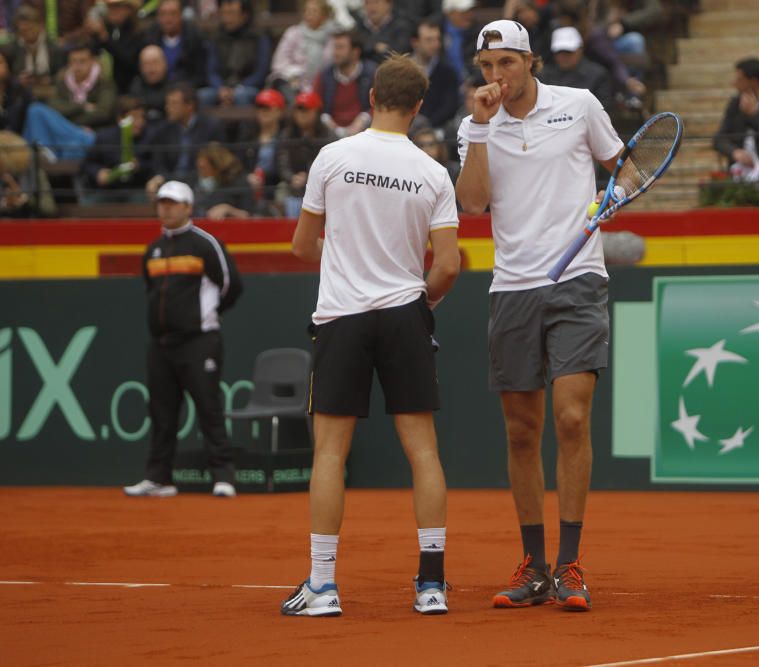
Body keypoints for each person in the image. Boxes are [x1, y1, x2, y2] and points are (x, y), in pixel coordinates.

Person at [281, 54, 460, 617]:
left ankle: (323, 586)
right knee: (423, 451)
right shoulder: (432, 173)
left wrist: (342, 261)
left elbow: (302, 246)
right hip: (405, 314)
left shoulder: (333, 157)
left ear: (371, 95)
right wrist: (417, 300)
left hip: (342, 316)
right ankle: (431, 586)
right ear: (418, 106)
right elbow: (449, 265)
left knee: (330, 454)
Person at [454, 19, 624, 612]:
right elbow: (472, 203)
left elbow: (622, 166)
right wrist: (479, 126)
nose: (496, 76)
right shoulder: (474, 125)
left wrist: (614, 196)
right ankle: (535, 567)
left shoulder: (579, 105)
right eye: (486, 67)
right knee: (522, 432)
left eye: (505, 64)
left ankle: (572, 564)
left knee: (571, 418)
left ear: (531, 63)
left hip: (579, 281)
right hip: (514, 289)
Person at [124, 179, 243, 499]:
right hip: (161, 344)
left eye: (173, 203)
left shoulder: (205, 244)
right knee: (162, 413)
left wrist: (205, 316)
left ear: (189, 207)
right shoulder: (153, 250)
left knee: (208, 407)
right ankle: (159, 478)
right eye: (162, 203)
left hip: (199, 341)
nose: (166, 208)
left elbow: (231, 285)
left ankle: (223, 476)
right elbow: (151, 290)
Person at [145, 82, 226, 194]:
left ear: (189, 106)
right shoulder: (163, 130)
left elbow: (215, 162)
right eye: (167, 103)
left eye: (174, 103)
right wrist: (163, 178)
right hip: (170, 184)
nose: (168, 108)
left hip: (199, 184)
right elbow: (158, 163)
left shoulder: (210, 127)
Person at [81, 96, 156, 203]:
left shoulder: (150, 137)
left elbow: (156, 164)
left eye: (142, 117)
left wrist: (140, 165)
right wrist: (98, 172)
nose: (140, 122)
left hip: (136, 188)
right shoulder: (105, 137)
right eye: (134, 117)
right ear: (121, 119)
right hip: (108, 190)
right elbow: (87, 164)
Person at [200, 0, 272, 107]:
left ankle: (247, 124)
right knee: (201, 96)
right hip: (222, 87)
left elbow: (261, 72)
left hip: (249, 87)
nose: (227, 18)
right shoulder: (216, 39)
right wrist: (221, 88)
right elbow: (211, 71)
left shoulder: (258, 38)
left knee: (241, 96)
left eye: (232, 13)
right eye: (224, 13)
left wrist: (239, 88)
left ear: (244, 15)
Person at [276, 90, 334, 218]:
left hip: (321, 183)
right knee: (281, 190)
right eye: (299, 110)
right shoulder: (287, 134)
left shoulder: (328, 135)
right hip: (293, 183)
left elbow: (332, 164)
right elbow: (282, 162)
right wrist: (291, 177)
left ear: (317, 112)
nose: (301, 114)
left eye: (306, 110)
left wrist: (309, 177)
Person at [268, 0, 338, 100]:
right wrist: (295, 74)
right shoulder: (293, 32)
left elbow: (333, 64)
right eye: (306, 11)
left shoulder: (333, 36)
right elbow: (279, 63)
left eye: (314, 11)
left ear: (324, 16)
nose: (309, 15)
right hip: (294, 82)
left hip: (323, 83)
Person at [314, 30, 377, 138]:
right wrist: (326, 119)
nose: (335, 53)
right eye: (335, 47)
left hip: (365, 132)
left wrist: (363, 118)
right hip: (329, 134)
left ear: (355, 52)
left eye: (341, 48)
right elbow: (315, 104)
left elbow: (381, 104)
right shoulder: (325, 75)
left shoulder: (372, 73)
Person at [540, 26, 613, 110]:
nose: (563, 56)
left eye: (568, 52)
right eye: (559, 52)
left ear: (580, 49)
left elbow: (603, 109)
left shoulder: (598, 75)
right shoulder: (544, 76)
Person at [141, 0, 207, 87]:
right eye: (163, 14)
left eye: (173, 13)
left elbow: (200, 75)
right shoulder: (150, 38)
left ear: (181, 15)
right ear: (158, 17)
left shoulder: (194, 38)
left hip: (186, 89)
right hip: (157, 89)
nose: (168, 19)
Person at [85, 0, 145, 94]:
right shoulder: (109, 27)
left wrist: (104, 38)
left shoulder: (138, 31)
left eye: (116, 7)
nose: (111, 11)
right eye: (109, 7)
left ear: (129, 9)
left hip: (129, 88)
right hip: (104, 88)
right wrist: (92, 34)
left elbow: (129, 60)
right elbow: (93, 52)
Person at [410, 19, 461, 128]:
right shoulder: (401, 71)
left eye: (437, 39)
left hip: (437, 129)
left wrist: (427, 126)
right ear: (415, 42)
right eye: (429, 40)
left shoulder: (448, 72)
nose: (435, 44)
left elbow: (450, 106)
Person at [129, 45, 171, 122]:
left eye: (155, 63)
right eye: (146, 64)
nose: (151, 69)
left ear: (164, 64)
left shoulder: (176, 84)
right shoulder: (136, 84)